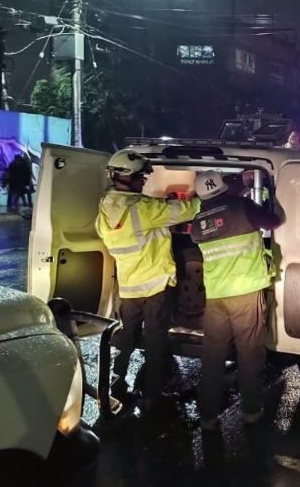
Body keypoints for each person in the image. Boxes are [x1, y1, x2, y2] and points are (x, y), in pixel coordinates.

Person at [94, 150, 200, 411]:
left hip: (129, 286)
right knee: (155, 340)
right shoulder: (142, 208)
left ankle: (113, 387)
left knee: (125, 337)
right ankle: (152, 395)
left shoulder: (105, 208)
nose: (144, 182)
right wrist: (204, 194)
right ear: (128, 177)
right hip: (155, 285)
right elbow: (187, 209)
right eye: (141, 178)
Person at [192, 170, 283, 429]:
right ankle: (251, 411)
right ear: (222, 185)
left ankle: (208, 417)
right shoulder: (241, 206)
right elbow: (274, 222)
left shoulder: (198, 220)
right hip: (245, 291)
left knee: (212, 356)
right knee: (249, 353)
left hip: (216, 296)